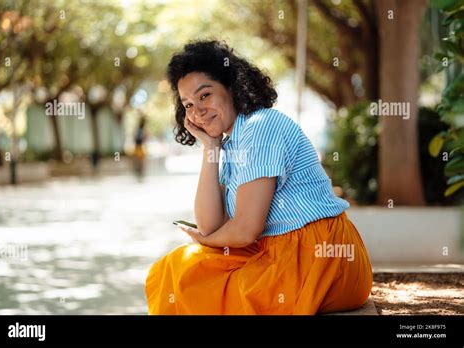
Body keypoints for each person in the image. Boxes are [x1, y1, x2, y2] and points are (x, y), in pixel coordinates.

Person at [145, 40, 373, 314]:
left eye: (205, 95)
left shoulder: (261, 127)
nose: (197, 111)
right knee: (177, 268)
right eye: (188, 104)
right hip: (280, 253)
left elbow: (244, 230)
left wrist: (206, 241)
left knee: (196, 284)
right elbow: (210, 225)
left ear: (231, 86)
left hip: (321, 258)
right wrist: (211, 148)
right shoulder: (231, 143)